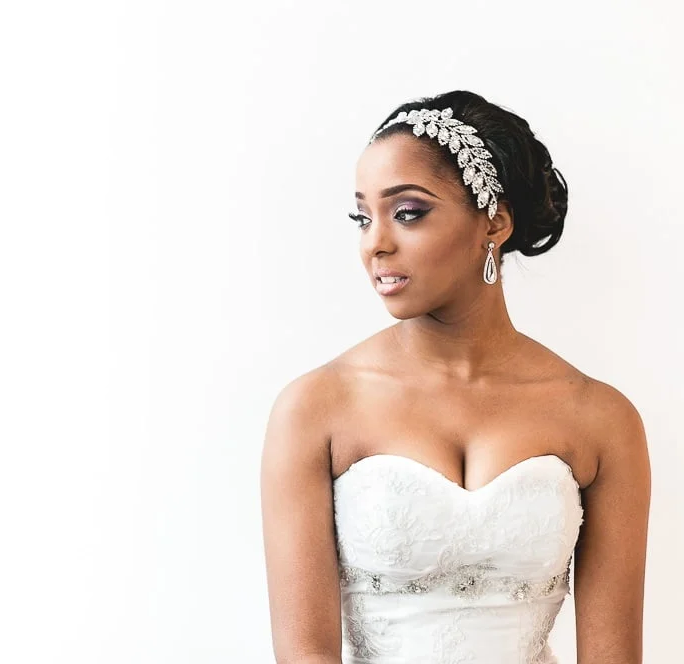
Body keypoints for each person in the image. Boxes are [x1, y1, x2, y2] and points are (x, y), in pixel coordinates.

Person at [259, 89, 651, 664]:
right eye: (363, 217)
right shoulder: (315, 408)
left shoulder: (601, 418)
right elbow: (305, 654)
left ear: (495, 222)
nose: (375, 244)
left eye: (407, 213)